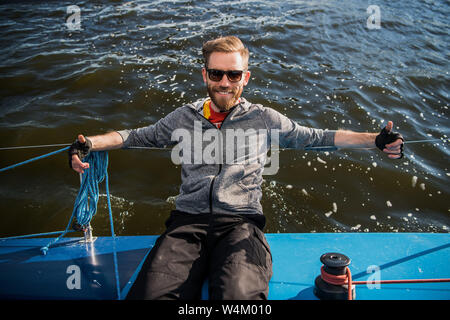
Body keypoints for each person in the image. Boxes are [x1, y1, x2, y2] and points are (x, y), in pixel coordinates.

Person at [69, 36, 404, 300]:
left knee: (239, 300)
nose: (224, 82)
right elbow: (136, 136)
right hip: (187, 225)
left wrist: (374, 139)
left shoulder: (264, 118)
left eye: (233, 74)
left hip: (241, 226)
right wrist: (89, 143)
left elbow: (316, 137)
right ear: (205, 75)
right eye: (216, 73)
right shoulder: (183, 117)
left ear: (246, 77)